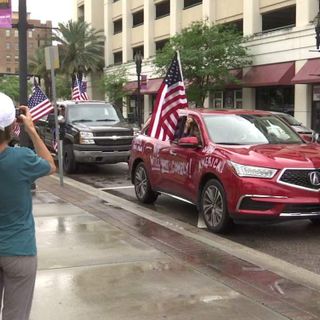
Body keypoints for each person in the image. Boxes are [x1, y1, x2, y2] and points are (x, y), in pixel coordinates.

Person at [0, 92, 56, 320]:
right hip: (19, 251)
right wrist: (31, 130)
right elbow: (50, 166)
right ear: (13, 125)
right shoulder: (21, 159)